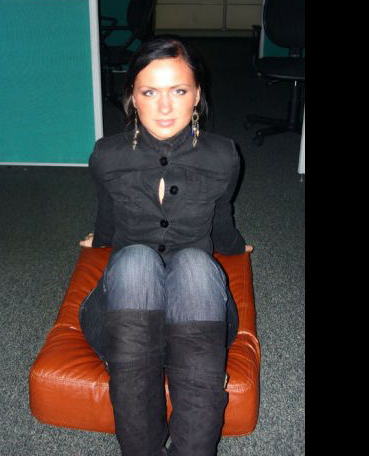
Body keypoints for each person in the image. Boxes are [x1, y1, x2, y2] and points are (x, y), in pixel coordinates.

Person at [78, 35, 253, 456]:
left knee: (195, 264)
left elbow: (222, 218)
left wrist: (235, 247)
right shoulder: (107, 155)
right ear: (132, 98)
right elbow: (107, 213)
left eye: (178, 91)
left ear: (197, 96)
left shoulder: (223, 155)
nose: (164, 107)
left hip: (199, 317)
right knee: (135, 261)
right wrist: (100, 239)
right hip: (124, 319)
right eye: (149, 92)